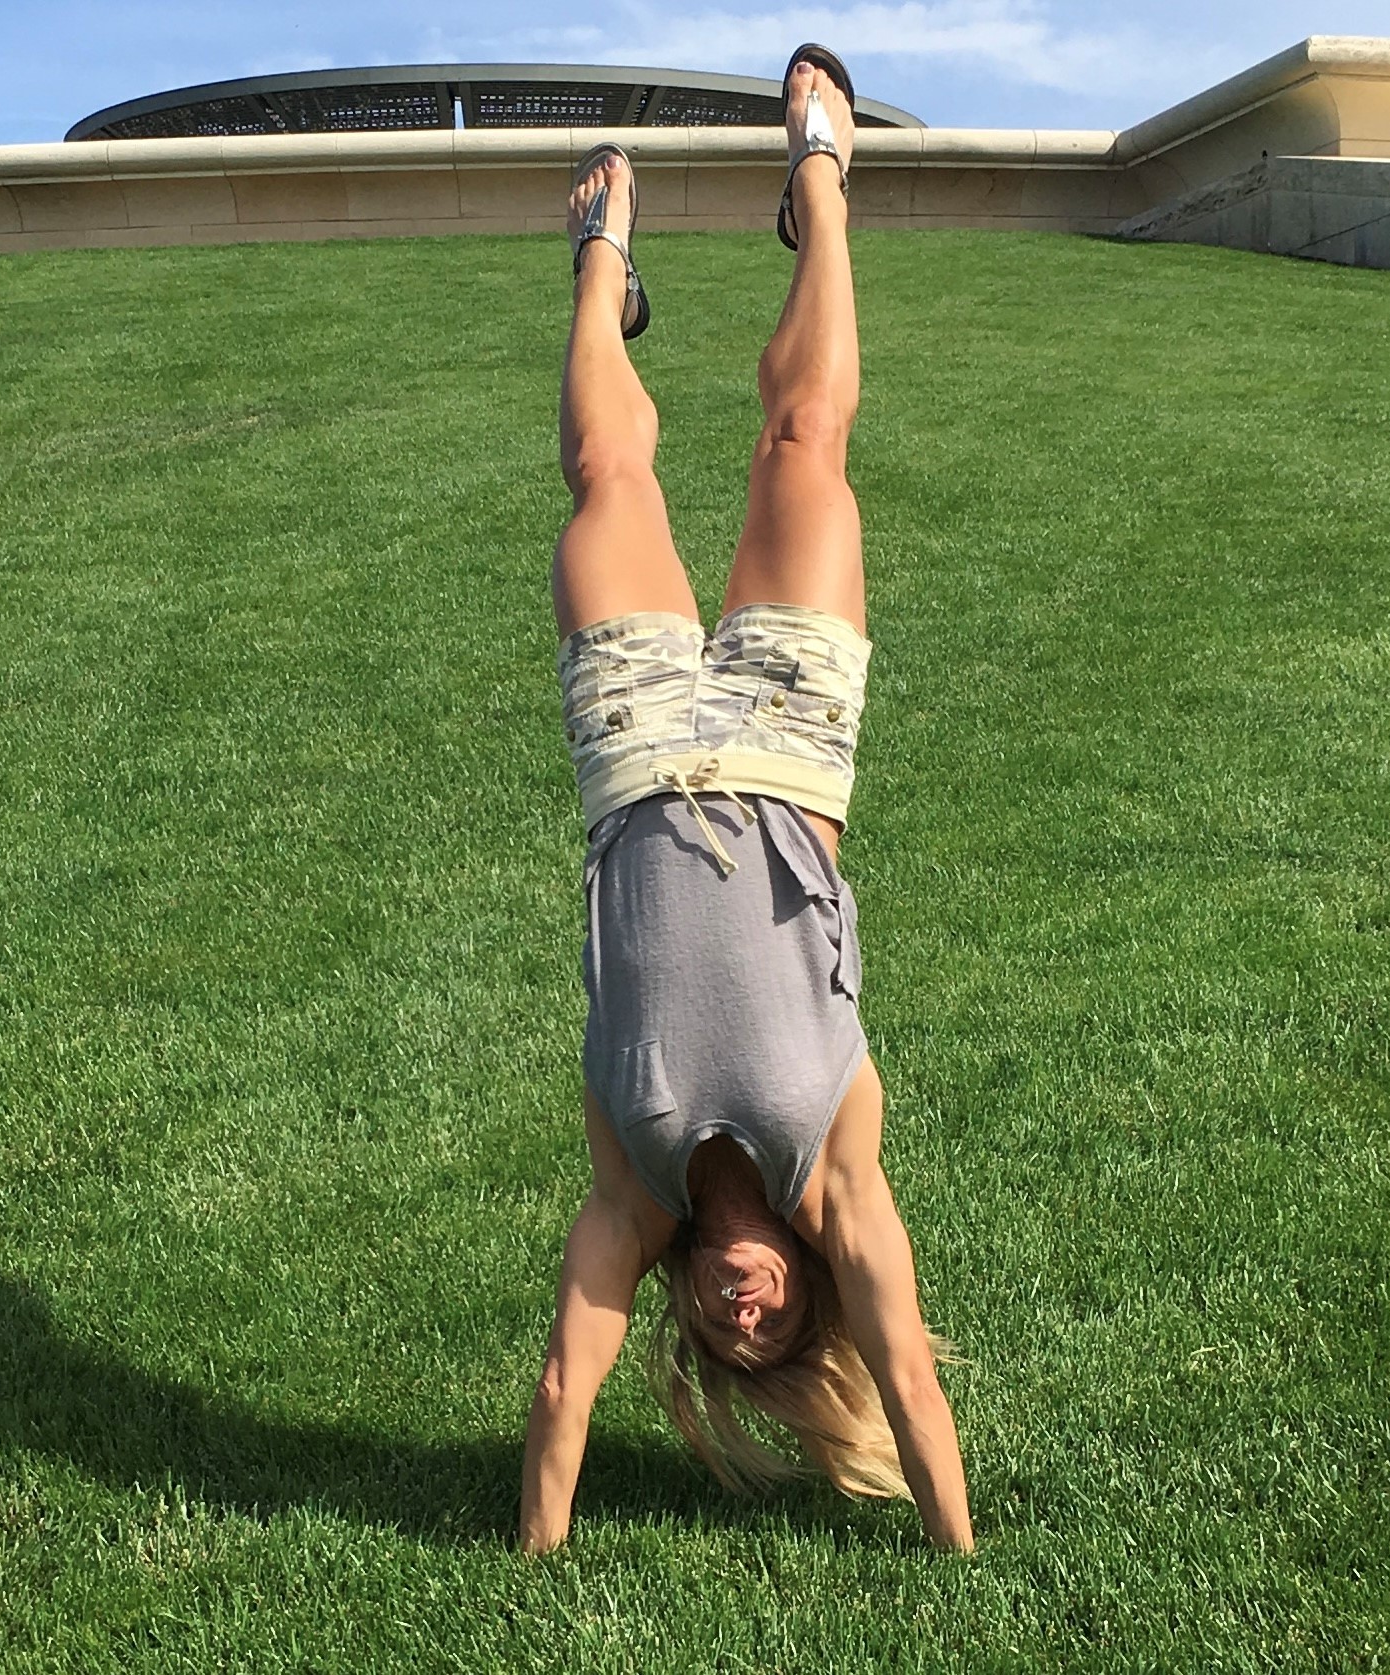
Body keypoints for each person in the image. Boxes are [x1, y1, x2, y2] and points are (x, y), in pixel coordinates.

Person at [519, 47, 974, 1555]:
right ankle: (824, 184)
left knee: (606, 474)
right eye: (781, 1324)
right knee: (804, 444)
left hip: (638, 756)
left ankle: (603, 261)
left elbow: (559, 1389)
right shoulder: (840, 1175)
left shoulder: (630, 1199)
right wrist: (955, 1549)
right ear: (805, 1284)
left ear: (707, 1331)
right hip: (787, 749)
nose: (747, 1316)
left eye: (735, 1344)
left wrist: (536, 1560)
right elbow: (905, 1370)